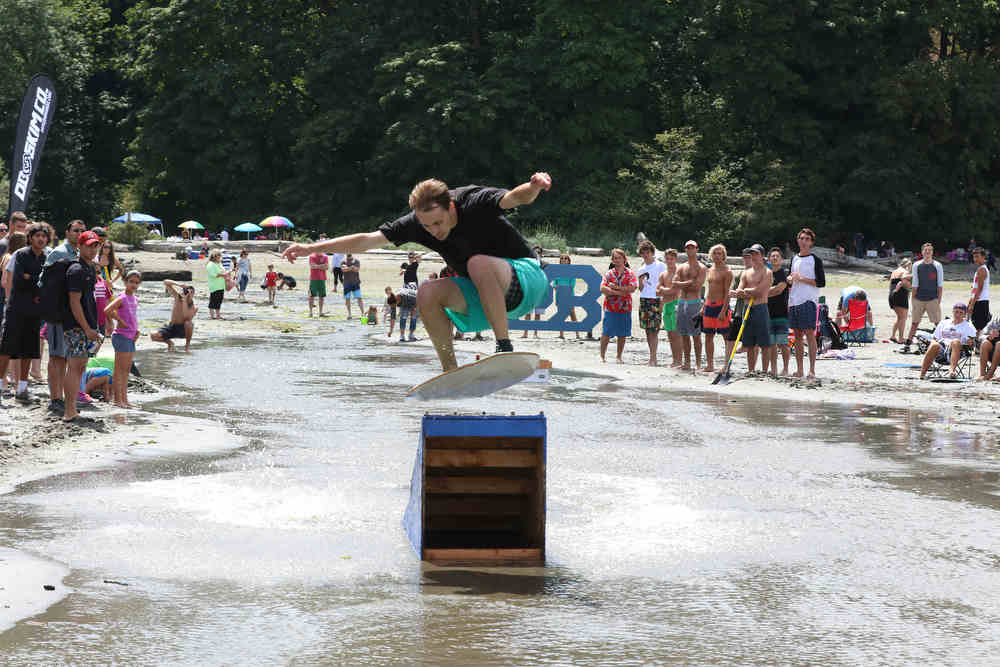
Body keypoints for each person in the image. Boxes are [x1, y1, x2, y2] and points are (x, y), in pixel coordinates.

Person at [283, 174, 552, 369]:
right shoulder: (417, 223)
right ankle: (450, 371)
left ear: (451, 206)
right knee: (426, 292)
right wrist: (310, 248)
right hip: (487, 299)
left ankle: (503, 347)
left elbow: (514, 198)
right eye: (426, 226)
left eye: (438, 222)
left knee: (477, 263)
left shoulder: (472, 201)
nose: (434, 231)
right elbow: (367, 240)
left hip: (527, 280)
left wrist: (534, 186)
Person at [40, 219, 85, 411]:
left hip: (72, 314)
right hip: (58, 313)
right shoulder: (58, 252)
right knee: (57, 357)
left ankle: (65, 400)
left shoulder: (81, 254)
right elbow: (43, 283)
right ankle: (55, 399)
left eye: (82, 231)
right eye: (75, 230)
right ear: (67, 233)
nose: (78, 234)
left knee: (67, 358)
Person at [0, 224, 49, 402]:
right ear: (30, 238)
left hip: (35, 309)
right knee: (7, 346)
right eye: (37, 236)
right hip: (16, 307)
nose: (41, 239)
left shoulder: (46, 257)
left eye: (44, 236)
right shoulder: (20, 254)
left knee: (30, 348)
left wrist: (33, 278)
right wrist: (36, 279)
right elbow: (21, 280)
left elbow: (45, 282)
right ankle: (1, 384)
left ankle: (22, 387)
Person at [62, 230, 102, 423]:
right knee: (75, 366)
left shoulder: (90, 268)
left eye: (96, 245)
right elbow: (74, 302)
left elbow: (90, 301)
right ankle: (69, 411)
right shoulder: (76, 270)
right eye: (89, 245)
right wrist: (86, 328)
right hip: (76, 326)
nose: (93, 249)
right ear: (79, 246)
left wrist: (95, 327)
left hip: (87, 325)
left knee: (81, 366)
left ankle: (73, 409)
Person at [788, 227, 825, 379]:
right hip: (794, 300)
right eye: (801, 238)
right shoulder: (794, 258)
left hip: (808, 300)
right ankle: (799, 370)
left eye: (807, 239)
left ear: (811, 243)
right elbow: (792, 279)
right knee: (796, 336)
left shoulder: (815, 260)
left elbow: (821, 283)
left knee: (810, 334)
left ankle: (812, 370)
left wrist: (801, 279)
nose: (803, 241)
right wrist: (790, 280)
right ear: (798, 240)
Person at [732, 244, 772, 373]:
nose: (753, 256)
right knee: (749, 343)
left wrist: (745, 291)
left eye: (756, 254)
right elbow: (739, 290)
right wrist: (743, 291)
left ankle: (765, 371)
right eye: (752, 254)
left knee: (764, 344)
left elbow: (759, 292)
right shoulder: (746, 272)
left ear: (762, 256)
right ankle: (751, 370)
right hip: (746, 308)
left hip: (761, 308)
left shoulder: (767, 272)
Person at [104, 270, 142, 408]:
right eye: (131, 281)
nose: (133, 284)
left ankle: (125, 400)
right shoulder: (122, 297)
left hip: (131, 337)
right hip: (121, 336)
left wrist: (136, 329)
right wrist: (119, 320)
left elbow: (132, 316)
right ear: (125, 282)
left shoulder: (135, 299)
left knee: (126, 370)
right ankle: (117, 400)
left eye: (136, 282)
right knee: (119, 370)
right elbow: (107, 310)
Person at [672, 240, 707, 370]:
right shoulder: (681, 267)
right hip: (682, 302)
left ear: (697, 249)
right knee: (684, 334)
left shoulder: (701, 267)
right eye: (688, 248)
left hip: (694, 302)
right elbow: (674, 283)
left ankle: (698, 363)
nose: (690, 250)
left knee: (696, 335)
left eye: (692, 248)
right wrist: (688, 283)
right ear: (685, 250)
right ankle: (687, 362)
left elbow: (697, 286)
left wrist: (683, 283)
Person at [919, 303, 977, 380]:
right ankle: (922, 374)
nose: (958, 314)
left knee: (955, 341)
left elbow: (973, 344)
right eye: (956, 312)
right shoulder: (944, 323)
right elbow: (934, 338)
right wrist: (933, 343)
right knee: (934, 345)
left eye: (961, 313)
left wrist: (971, 342)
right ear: (953, 312)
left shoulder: (969, 326)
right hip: (942, 350)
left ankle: (952, 371)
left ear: (965, 315)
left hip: (959, 351)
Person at [599, 248, 637, 363]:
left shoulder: (630, 273)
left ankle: (619, 356)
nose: (617, 260)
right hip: (610, 307)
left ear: (624, 259)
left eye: (619, 258)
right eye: (615, 258)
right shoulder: (609, 273)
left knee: (622, 333)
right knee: (606, 332)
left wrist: (615, 288)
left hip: (625, 307)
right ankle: (602, 356)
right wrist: (620, 293)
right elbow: (602, 288)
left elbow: (632, 288)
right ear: (612, 260)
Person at [903, 243, 943, 351]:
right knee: (914, 323)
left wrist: (938, 300)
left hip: (932, 298)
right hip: (919, 298)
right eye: (925, 250)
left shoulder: (937, 265)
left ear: (932, 252)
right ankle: (907, 344)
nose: (927, 252)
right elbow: (915, 283)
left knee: (937, 323)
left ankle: (943, 343)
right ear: (922, 252)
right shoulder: (916, 265)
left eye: (930, 250)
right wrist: (913, 299)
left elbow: (940, 284)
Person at [700, 244, 733, 374]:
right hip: (709, 305)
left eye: (720, 253)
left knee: (726, 337)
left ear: (724, 255)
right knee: (708, 336)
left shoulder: (727, 271)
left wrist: (723, 310)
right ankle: (710, 365)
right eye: (715, 253)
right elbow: (709, 290)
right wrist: (703, 306)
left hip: (721, 305)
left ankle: (726, 365)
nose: (717, 256)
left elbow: (727, 293)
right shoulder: (711, 269)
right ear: (711, 255)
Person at [634, 240, 665, 366]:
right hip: (644, 299)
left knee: (654, 330)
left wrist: (663, 301)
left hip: (656, 299)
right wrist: (640, 281)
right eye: (643, 253)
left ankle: (654, 359)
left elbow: (665, 282)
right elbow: (641, 288)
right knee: (647, 330)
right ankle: (651, 358)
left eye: (648, 252)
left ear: (652, 252)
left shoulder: (660, 266)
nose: (645, 255)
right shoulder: (641, 269)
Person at [765, 247, 791, 376]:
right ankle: (773, 369)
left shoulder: (784, 273)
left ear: (781, 259)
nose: (775, 258)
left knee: (782, 343)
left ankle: (785, 368)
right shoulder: (766, 273)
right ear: (769, 259)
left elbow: (778, 290)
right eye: (772, 256)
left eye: (777, 256)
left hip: (781, 314)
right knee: (771, 344)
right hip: (768, 312)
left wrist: (763, 292)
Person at [151, 280, 197, 352]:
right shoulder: (177, 297)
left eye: (190, 292)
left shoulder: (193, 307)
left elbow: (186, 316)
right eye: (186, 291)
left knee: (189, 323)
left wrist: (185, 301)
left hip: (182, 330)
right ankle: (170, 343)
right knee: (153, 335)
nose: (187, 293)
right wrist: (179, 284)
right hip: (172, 327)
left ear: (193, 294)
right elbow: (166, 282)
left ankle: (187, 347)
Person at [656, 248, 682, 366]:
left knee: (677, 335)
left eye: (671, 259)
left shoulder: (679, 273)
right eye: (667, 259)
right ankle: (674, 360)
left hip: (676, 304)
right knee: (670, 335)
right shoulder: (663, 274)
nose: (669, 261)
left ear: (675, 259)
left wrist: (663, 290)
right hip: (666, 306)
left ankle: (679, 360)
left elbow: (674, 291)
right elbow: (657, 291)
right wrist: (665, 290)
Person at [521, 246, 549, 339]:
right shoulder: (527, 264)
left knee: (538, 313)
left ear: (541, 254)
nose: (537, 254)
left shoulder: (544, 264)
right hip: (530, 291)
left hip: (540, 291)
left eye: (538, 252)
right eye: (535, 252)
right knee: (528, 313)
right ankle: (525, 333)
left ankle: (535, 333)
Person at [553, 253, 580, 340]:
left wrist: (564, 289)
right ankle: (561, 334)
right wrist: (555, 286)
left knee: (572, 314)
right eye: (562, 258)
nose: (564, 260)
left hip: (569, 295)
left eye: (566, 258)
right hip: (559, 295)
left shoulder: (571, 271)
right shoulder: (557, 271)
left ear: (569, 261)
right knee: (560, 315)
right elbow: (555, 282)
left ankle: (577, 334)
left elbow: (572, 284)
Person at [968, 247, 991, 338]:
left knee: (978, 327)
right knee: (975, 326)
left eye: (977, 256)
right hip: (977, 300)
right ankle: (977, 345)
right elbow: (975, 288)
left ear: (983, 257)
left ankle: (978, 346)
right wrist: (970, 301)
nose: (975, 259)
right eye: (974, 257)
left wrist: (972, 304)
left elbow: (980, 289)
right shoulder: (980, 269)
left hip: (980, 301)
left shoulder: (982, 269)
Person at [888, 258, 912, 343]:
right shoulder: (905, 272)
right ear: (907, 265)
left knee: (899, 318)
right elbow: (903, 282)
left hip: (892, 295)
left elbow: (891, 284)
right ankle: (901, 338)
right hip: (900, 296)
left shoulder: (894, 272)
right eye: (910, 265)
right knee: (903, 318)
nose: (910, 268)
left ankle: (893, 336)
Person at [976, 315, 1000, 381]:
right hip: (994, 353)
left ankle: (989, 374)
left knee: (999, 344)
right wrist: (988, 336)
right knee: (985, 343)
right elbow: (981, 335)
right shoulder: (995, 321)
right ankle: (982, 374)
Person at [341, 252, 363, 319]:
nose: (348, 253)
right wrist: (352, 267)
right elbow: (344, 270)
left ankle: (362, 313)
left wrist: (349, 268)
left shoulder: (356, 261)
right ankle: (349, 314)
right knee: (347, 298)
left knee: (359, 298)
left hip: (355, 282)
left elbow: (357, 270)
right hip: (347, 283)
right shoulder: (343, 261)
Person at [308, 249, 329, 317]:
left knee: (321, 296)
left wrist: (317, 266)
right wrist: (322, 266)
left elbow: (327, 267)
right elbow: (312, 266)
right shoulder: (312, 256)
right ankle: (310, 312)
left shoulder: (325, 256)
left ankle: (320, 312)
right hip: (313, 279)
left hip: (322, 278)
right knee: (311, 296)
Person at [205, 249, 226, 319]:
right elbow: (213, 274)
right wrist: (223, 275)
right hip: (214, 286)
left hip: (221, 285)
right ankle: (212, 316)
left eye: (220, 256)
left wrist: (226, 274)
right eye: (218, 256)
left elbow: (223, 272)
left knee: (219, 301)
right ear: (215, 256)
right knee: (213, 301)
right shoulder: (210, 264)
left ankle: (218, 315)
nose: (220, 257)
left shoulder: (219, 264)